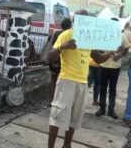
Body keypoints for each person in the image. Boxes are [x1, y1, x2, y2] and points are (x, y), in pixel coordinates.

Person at [47, 9, 114, 148]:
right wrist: (62, 46)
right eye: (81, 19)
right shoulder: (67, 35)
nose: (84, 22)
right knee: (57, 116)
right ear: (75, 20)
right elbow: (50, 57)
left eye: (86, 19)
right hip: (67, 81)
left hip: (83, 83)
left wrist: (111, 52)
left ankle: (67, 145)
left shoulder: (87, 37)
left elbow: (98, 58)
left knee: (75, 118)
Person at [95, 18, 131, 119]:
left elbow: (127, 49)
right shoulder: (103, 35)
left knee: (112, 89)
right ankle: (102, 108)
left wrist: (119, 55)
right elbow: (97, 49)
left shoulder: (122, 36)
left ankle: (111, 110)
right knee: (102, 88)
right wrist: (105, 54)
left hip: (115, 67)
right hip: (103, 66)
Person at [48, 18, 73, 105]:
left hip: (52, 59)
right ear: (70, 26)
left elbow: (49, 44)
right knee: (60, 80)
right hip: (61, 60)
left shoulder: (55, 33)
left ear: (61, 25)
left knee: (53, 78)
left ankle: (51, 99)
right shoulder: (68, 35)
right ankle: (58, 99)